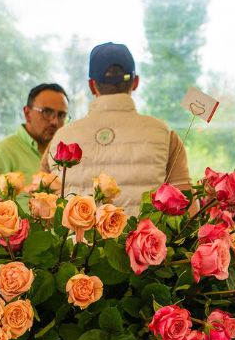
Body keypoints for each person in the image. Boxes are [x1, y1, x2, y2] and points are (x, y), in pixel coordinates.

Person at [43, 42, 191, 215]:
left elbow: (41, 201)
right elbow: (185, 206)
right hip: (146, 241)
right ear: (135, 82)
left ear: (92, 85)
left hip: (73, 241)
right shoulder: (163, 134)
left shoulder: (61, 137)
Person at [0, 83, 69, 193]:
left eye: (61, 115)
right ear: (27, 113)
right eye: (47, 112)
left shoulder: (66, 157)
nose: (54, 121)